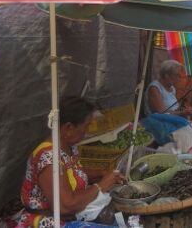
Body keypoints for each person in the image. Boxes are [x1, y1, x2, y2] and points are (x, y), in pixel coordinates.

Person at [12, 97, 125, 227]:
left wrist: (101, 173)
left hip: (71, 214)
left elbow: (73, 172)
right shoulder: (48, 158)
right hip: (47, 220)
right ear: (69, 127)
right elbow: (65, 206)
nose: (87, 132)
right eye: (86, 126)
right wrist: (101, 186)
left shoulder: (69, 146)